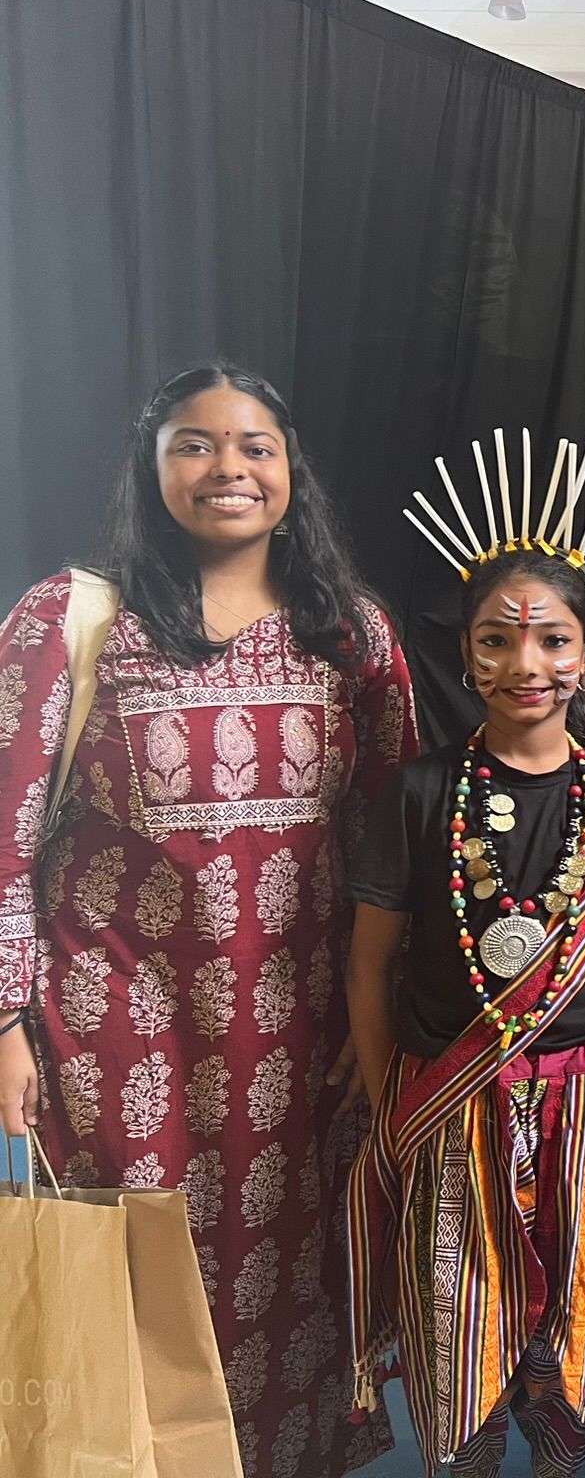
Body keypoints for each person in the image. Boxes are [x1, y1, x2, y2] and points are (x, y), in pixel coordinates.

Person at [0, 363, 416, 1477]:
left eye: (254, 447)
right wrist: (3, 1025)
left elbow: (396, 842)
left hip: (304, 1044)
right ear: (151, 467)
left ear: (291, 472)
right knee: (132, 1287)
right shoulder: (72, 619)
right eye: (195, 443)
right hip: (115, 1040)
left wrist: (379, 1018)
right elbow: (4, 836)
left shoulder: (352, 635)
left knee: (299, 1289)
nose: (227, 468)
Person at [346, 449, 585, 1476]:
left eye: (553, 639)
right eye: (497, 639)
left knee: (576, 1305)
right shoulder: (419, 793)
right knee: (458, 1307)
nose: (527, 663)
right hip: (450, 1095)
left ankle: (556, 1460)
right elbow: (370, 964)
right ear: (466, 655)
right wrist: (388, 1099)